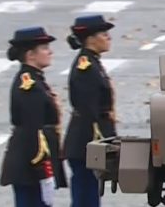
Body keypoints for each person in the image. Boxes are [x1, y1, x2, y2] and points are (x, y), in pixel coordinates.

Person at [0, 27, 67, 207]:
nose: (50, 51)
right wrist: (42, 169)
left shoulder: (34, 79)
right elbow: (33, 129)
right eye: (44, 48)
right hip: (31, 164)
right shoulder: (28, 84)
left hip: (32, 163)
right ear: (31, 55)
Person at [64, 15, 117, 207]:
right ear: (91, 39)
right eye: (104, 34)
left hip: (88, 141)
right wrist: (105, 138)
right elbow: (89, 110)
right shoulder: (86, 67)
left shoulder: (92, 62)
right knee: (85, 197)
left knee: (89, 194)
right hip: (85, 141)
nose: (108, 38)